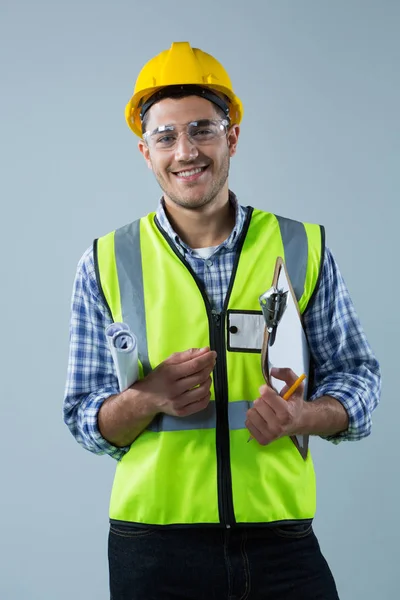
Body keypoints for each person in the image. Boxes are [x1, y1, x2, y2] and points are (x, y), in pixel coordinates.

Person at [64, 42, 381, 600]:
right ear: (145, 151)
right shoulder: (107, 261)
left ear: (231, 136)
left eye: (202, 130)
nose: (185, 151)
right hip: (153, 548)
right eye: (166, 136)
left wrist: (302, 416)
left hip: (280, 538)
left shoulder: (299, 246)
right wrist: (147, 398)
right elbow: (83, 418)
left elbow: (359, 378)